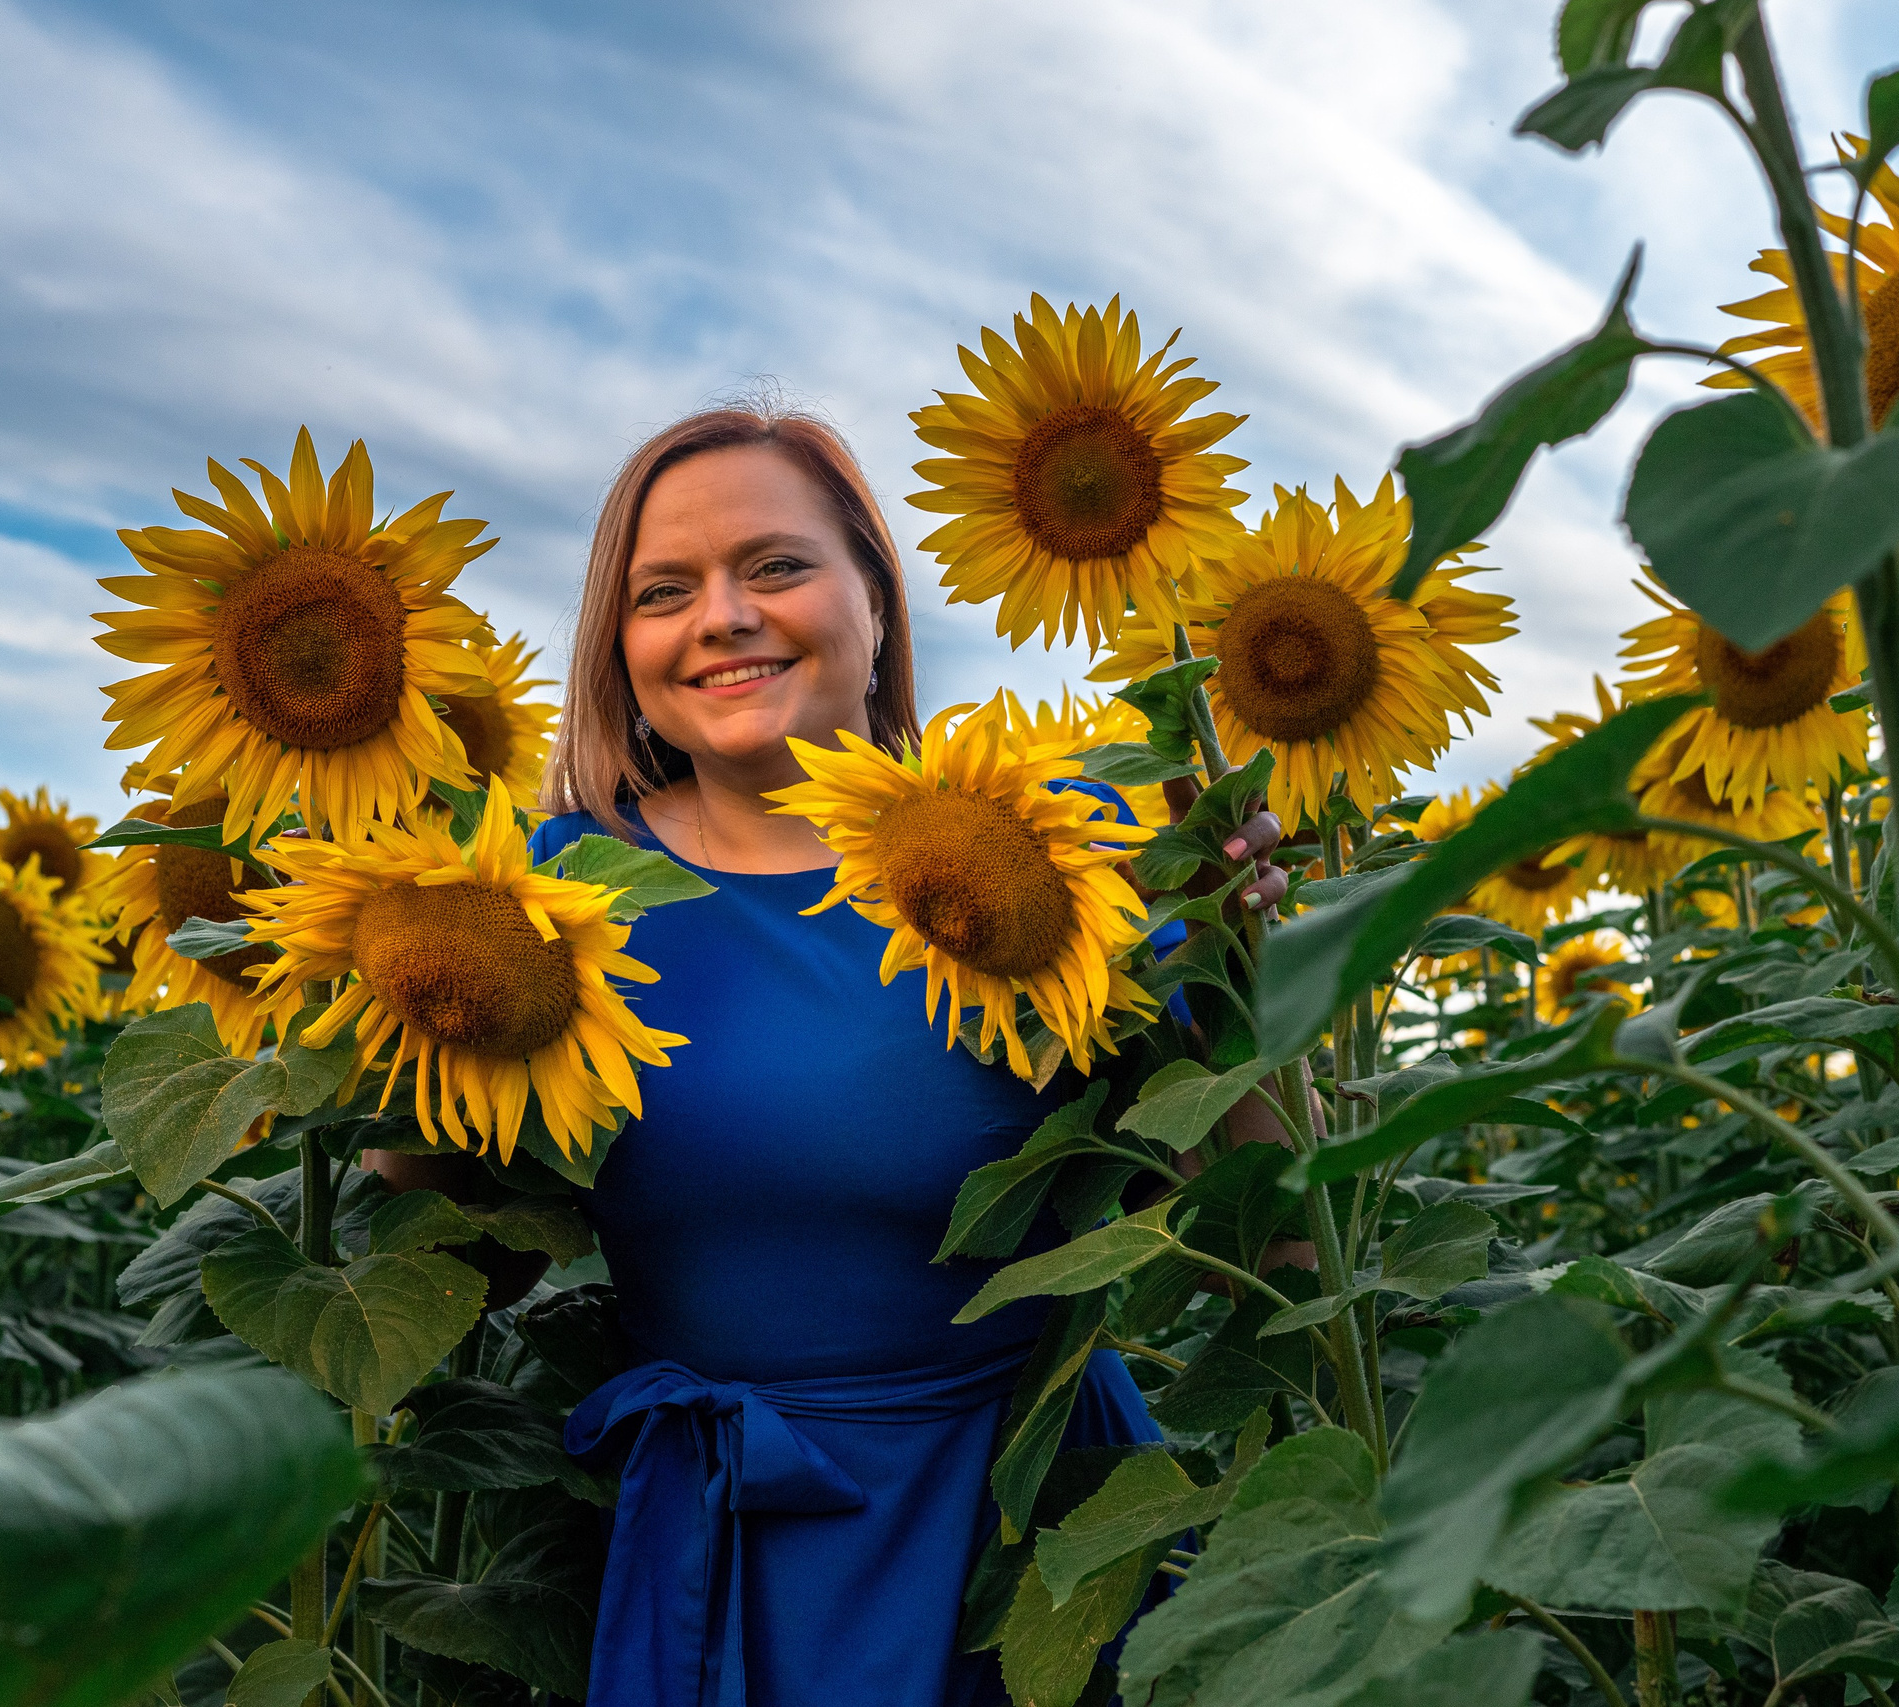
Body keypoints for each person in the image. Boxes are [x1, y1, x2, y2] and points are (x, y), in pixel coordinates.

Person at [393, 402, 1286, 1707]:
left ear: (874, 591)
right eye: (664, 590)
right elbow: (431, 1244)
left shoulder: (1053, 836)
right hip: (737, 1561)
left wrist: (1250, 964)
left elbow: (1264, 1230)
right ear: (620, 644)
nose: (724, 618)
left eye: (776, 566)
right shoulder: (543, 899)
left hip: (1042, 1531)